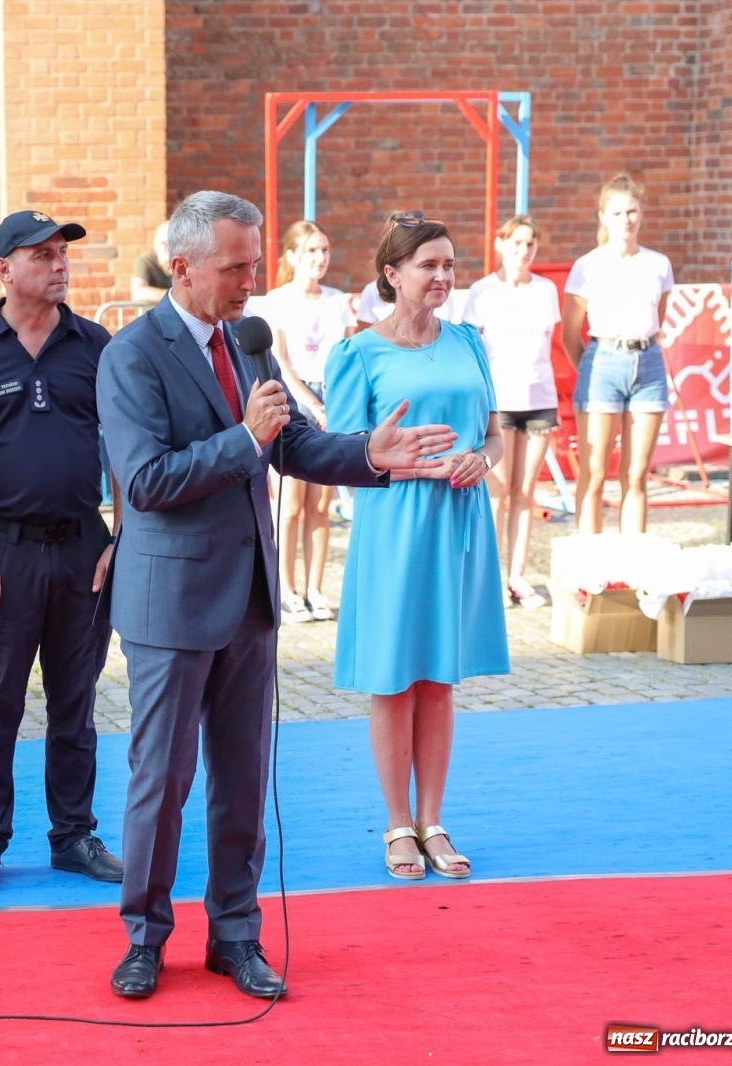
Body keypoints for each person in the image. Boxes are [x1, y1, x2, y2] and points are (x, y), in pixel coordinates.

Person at [96, 191, 453, 1001]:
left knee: (244, 779)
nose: (251, 280)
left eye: (255, 263)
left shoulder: (250, 343)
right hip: (169, 605)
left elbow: (289, 444)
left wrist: (371, 453)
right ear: (182, 265)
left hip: (249, 600)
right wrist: (242, 440)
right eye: (235, 266)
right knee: (161, 780)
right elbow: (147, 482)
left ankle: (236, 934)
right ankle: (145, 938)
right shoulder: (132, 354)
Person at [0, 210, 122, 896]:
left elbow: (126, 448)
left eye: (62, 254)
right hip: (2, 550)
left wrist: (122, 538)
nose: (59, 264)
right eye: (41, 255)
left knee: (78, 702)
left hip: (82, 550)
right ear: (3, 269)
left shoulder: (97, 344)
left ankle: (73, 836)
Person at [325, 212, 510, 884]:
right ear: (391, 274)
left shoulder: (469, 341)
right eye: (428, 265)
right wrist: (412, 467)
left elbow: (494, 436)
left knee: (439, 677)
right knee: (393, 676)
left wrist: (482, 463)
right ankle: (397, 823)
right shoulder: (358, 353)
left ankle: (433, 821)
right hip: (393, 525)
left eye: (449, 265)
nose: (441, 276)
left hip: (460, 522)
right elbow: (341, 454)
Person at [252, 220, 356, 623]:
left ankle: (315, 588)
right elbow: (280, 360)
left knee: (321, 503)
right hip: (295, 398)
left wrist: (338, 404)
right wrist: (310, 402)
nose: (320, 258)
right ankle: (287, 588)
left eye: (325, 250)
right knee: (291, 504)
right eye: (311, 251)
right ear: (293, 256)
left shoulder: (336, 300)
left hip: (332, 398)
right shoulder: (277, 300)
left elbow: (346, 357)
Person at [562, 174, 674, 535]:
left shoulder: (658, 264)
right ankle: (589, 567)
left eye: (632, 211)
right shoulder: (588, 265)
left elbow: (659, 318)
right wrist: (592, 370)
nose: (626, 219)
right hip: (603, 361)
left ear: (641, 213)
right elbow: (569, 334)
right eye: (617, 212)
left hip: (648, 363)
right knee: (594, 474)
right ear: (603, 217)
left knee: (637, 474)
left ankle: (633, 569)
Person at [463, 215, 562, 607]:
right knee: (497, 493)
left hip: (538, 397)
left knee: (525, 491)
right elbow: (472, 348)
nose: (524, 251)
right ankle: (492, 578)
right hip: (498, 402)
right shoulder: (483, 292)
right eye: (516, 243)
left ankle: (518, 575)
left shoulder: (546, 290)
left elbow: (547, 343)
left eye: (530, 244)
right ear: (500, 245)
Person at [130, 222, 172, 303]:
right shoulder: (146, 261)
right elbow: (137, 292)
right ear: (155, 244)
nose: (168, 249)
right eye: (164, 244)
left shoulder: (187, 262)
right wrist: (174, 298)